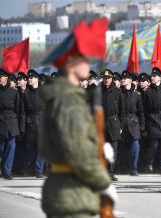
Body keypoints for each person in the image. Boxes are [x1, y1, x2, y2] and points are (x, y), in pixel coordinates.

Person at [39, 51, 117, 218]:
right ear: (70, 66)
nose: (88, 65)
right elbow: (78, 153)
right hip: (73, 192)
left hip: (65, 189)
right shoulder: (70, 102)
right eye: (84, 61)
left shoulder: (58, 97)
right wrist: (103, 182)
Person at [101, 69, 124, 181]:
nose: (106, 80)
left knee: (113, 150)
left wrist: (121, 126)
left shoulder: (117, 92)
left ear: (112, 79)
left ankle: (110, 172)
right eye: (105, 78)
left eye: (108, 78)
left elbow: (122, 111)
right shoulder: (97, 91)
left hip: (114, 123)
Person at [120, 70, 145, 176]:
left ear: (130, 80)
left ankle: (134, 169)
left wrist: (142, 126)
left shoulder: (137, 94)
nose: (123, 80)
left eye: (125, 78)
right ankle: (124, 167)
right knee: (123, 148)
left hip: (134, 123)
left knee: (135, 146)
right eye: (123, 78)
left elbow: (141, 111)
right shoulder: (119, 93)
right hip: (122, 123)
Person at [21, 69, 45, 177]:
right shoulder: (25, 95)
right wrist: (22, 127)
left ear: (37, 79)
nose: (29, 79)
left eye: (31, 78)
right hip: (30, 124)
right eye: (29, 78)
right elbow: (22, 112)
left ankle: (38, 170)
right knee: (29, 149)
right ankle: (28, 168)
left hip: (42, 123)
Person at [0, 69, 21, 180]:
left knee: (11, 148)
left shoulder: (13, 92)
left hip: (12, 123)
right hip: (1, 122)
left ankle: (7, 171)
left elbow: (18, 110)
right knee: (1, 149)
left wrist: (18, 126)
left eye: (1, 76)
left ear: (5, 78)